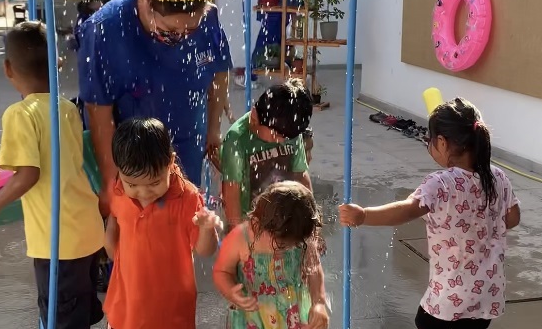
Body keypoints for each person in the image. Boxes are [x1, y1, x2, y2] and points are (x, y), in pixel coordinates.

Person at [78, 0, 232, 215]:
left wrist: (213, 129)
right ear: (148, 2)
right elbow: (98, 111)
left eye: (191, 31)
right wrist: (111, 182)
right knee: (138, 229)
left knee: (183, 220)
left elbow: (219, 72)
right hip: (134, 154)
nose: (183, 39)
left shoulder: (207, 18)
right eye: (171, 34)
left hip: (187, 139)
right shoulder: (105, 31)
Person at [339, 98, 521, 329]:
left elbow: (406, 210)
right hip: (486, 294)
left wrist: (364, 215)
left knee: (424, 321)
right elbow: (512, 218)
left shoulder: (440, 183)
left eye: (430, 140)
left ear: (443, 143)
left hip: (449, 300)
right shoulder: (498, 177)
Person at [0, 21, 105, 329]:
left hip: (57, 240)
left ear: (8, 69)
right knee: (78, 309)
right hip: (86, 227)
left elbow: (28, 174)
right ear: (58, 65)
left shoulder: (20, 115)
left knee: (59, 316)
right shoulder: (67, 109)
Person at [104, 118, 221, 329]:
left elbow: (205, 250)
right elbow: (115, 217)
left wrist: (206, 228)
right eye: (133, 185)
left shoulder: (187, 198)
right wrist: (110, 242)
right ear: (119, 170)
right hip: (125, 306)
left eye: (154, 183)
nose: (144, 193)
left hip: (170, 312)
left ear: (171, 162)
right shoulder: (118, 188)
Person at [213, 181, 329, 329]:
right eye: (280, 244)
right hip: (252, 319)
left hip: (293, 318)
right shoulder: (241, 238)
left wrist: (319, 303)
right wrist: (230, 291)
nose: (282, 250)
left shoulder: (303, 238)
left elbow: (314, 270)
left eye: (290, 245)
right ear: (259, 222)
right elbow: (222, 271)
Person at [220, 78, 314, 231]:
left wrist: (312, 226)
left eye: (287, 138)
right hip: (251, 225)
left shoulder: (288, 129)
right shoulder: (237, 140)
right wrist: (238, 238)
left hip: (284, 221)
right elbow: (231, 195)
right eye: (276, 136)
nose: (281, 141)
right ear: (255, 117)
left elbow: (302, 177)